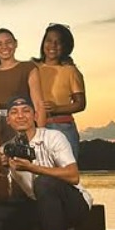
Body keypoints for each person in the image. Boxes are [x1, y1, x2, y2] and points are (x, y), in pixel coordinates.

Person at [0, 95, 92, 230]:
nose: (20, 116)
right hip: (41, 206)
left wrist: (32, 168)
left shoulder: (53, 137)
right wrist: (3, 170)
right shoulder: (8, 148)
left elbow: (73, 176)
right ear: (9, 120)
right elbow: (4, 195)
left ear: (35, 116)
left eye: (26, 111)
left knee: (44, 182)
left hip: (74, 205)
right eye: (14, 112)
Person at [0, 28, 46, 145]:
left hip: (22, 123)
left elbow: (38, 104)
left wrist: (40, 136)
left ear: (15, 44)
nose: (4, 47)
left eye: (8, 42)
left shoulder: (28, 68)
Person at [33, 24, 86, 161]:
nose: (53, 45)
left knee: (66, 170)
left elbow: (81, 104)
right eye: (49, 40)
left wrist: (57, 108)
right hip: (36, 127)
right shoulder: (32, 68)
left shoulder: (70, 71)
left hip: (62, 127)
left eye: (58, 42)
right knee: (38, 171)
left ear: (65, 46)